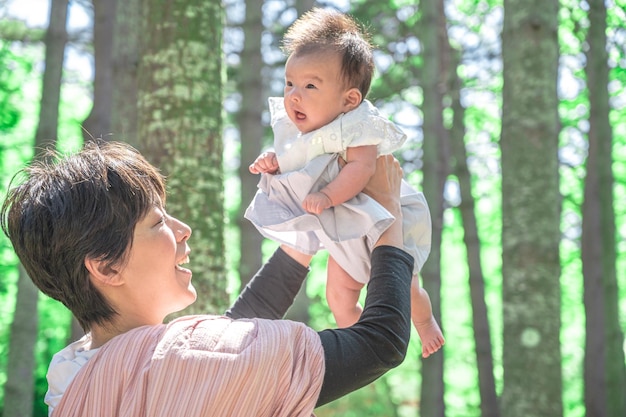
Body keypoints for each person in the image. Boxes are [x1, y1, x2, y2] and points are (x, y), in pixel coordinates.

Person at [1, 140, 414, 417]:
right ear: (107, 268)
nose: (183, 229)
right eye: (157, 222)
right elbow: (380, 344)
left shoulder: (72, 373)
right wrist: (386, 213)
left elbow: (229, 348)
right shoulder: (181, 360)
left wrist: (302, 240)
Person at [245, 8, 444, 357]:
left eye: (309, 86)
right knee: (337, 295)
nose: (294, 95)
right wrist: (273, 164)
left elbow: (362, 170)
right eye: (290, 83)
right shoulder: (296, 131)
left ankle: (425, 323)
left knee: (407, 287)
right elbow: (292, 165)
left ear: (349, 99)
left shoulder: (357, 125)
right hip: (343, 231)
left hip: (380, 219)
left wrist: (328, 194)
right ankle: (356, 341)